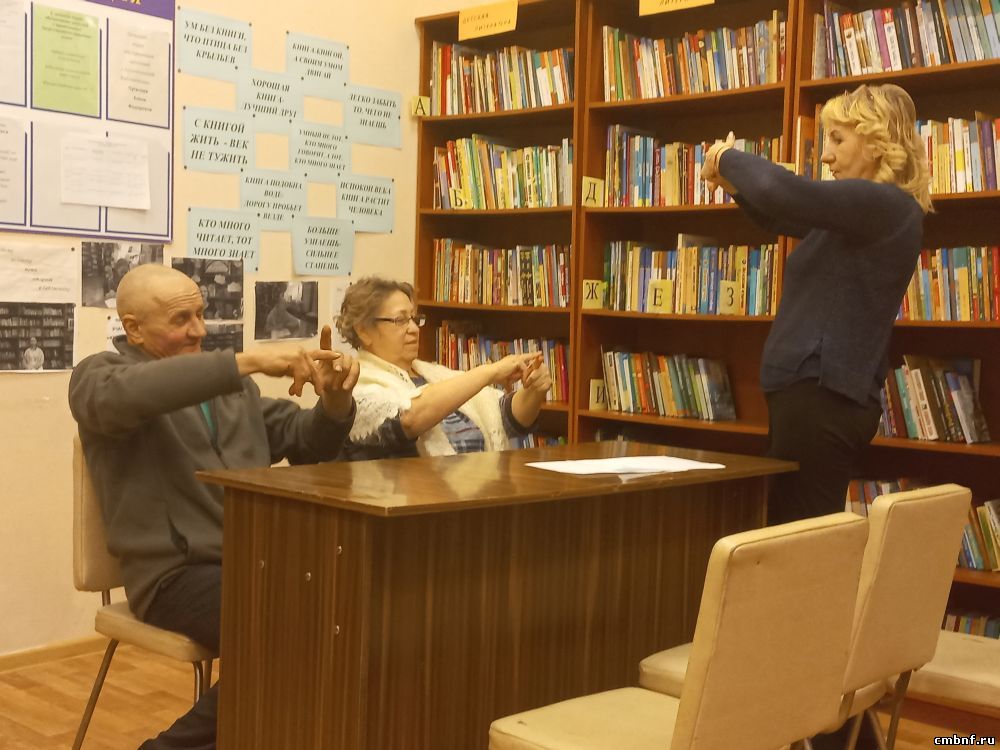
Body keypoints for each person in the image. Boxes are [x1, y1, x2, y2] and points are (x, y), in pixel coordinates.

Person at [702, 83, 931, 750]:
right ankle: (841, 738)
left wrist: (729, 158)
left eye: (837, 139)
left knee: (798, 577)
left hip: (821, 399)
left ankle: (827, 736)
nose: (826, 154)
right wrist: (734, 184)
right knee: (801, 570)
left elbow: (785, 193)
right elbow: (776, 212)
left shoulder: (885, 205)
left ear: (877, 143)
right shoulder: (857, 218)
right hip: (815, 398)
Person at [69, 265, 358, 750]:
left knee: (347, 611)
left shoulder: (232, 388)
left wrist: (334, 403)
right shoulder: (98, 377)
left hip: (256, 561)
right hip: (174, 577)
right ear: (133, 328)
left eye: (201, 315)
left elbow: (305, 440)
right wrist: (248, 361)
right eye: (181, 319)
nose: (200, 331)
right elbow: (134, 393)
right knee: (295, 628)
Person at [335, 276, 551, 460]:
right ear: (364, 331)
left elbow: (507, 418)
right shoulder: (356, 385)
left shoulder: (435, 374)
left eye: (414, 319)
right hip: (416, 495)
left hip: (480, 487)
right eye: (400, 320)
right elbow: (409, 418)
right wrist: (489, 372)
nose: (414, 329)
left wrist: (534, 390)